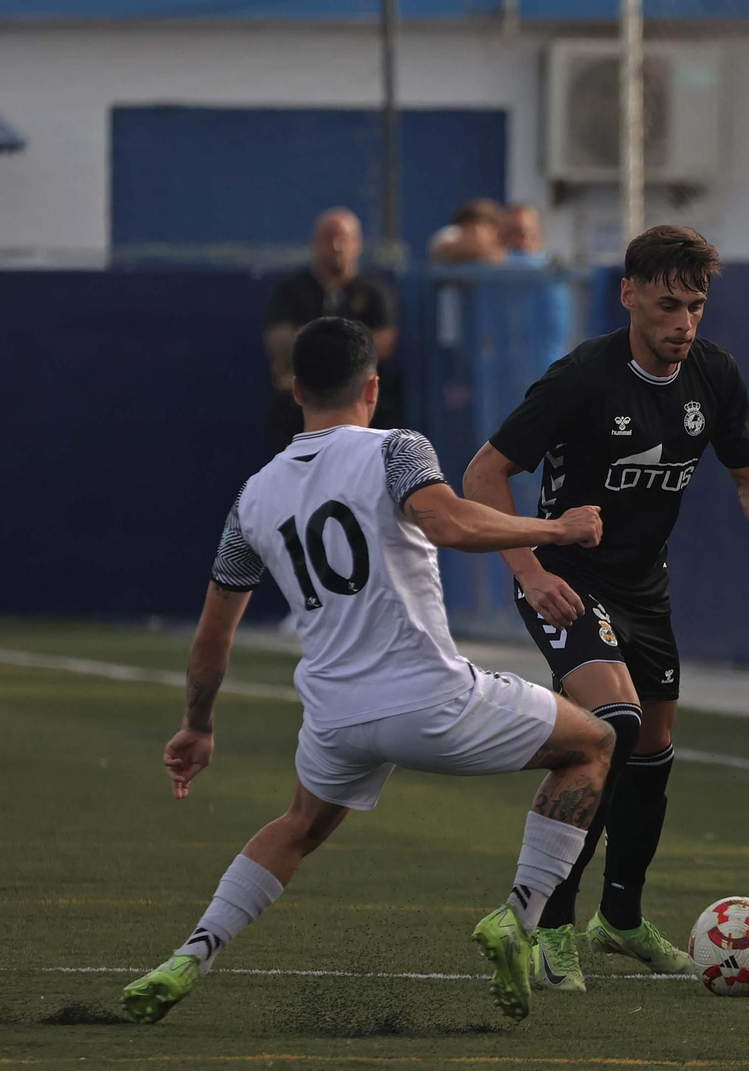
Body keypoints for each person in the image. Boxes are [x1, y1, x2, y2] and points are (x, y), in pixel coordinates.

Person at [120, 317, 613, 1026]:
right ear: (373, 387)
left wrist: (197, 725)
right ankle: (519, 915)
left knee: (298, 825)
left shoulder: (251, 497)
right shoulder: (397, 448)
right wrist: (556, 528)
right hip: (432, 703)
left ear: (297, 390)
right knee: (594, 743)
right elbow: (448, 523)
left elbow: (212, 635)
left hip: (335, 721)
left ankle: (190, 954)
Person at [462, 225, 749, 992]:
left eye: (696, 306)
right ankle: (551, 925)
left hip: (644, 586)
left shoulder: (715, 375)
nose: (684, 323)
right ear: (629, 295)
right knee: (610, 724)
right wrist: (528, 570)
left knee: (652, 748)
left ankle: (618, 919)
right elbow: (484, 472)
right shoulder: (583, 377)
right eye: (667, 304)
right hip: (566, 577)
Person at [263, 209, 398, 450]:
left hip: (360, 412)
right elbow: (277, 339)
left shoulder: (373, 292)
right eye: (328, 238)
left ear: (357, 244)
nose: (336, 246)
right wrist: (349, 346)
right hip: (298, 412)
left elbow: (384, 342)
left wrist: (314, 344)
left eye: (343, 238)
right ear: (314, 243)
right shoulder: (291, 289)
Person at [429, 199, 507, 266]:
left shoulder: (507, 252)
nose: (475, 234)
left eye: (482, 227)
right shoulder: (448, 237)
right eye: (469, 227)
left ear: (495, 231)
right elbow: (441, 252)